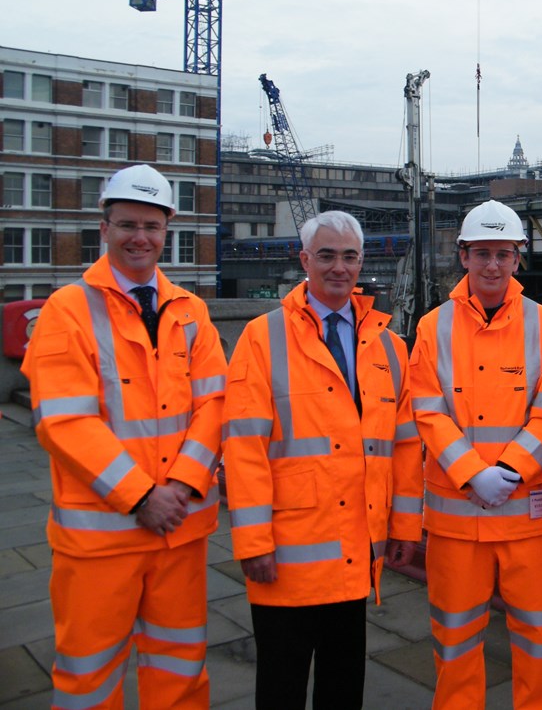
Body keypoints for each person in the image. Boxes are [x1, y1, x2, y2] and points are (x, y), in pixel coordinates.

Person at [22, 163, 227, 709]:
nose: (141, 237)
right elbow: (64, 422)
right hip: (102, 541)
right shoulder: (66, 311)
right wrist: (140, 495)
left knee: (181, 669)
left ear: (168, 230)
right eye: (128, 224)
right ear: (104, 228)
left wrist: (180, 486)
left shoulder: (191, 311)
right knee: (89, 678)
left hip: (178, 532)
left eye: (152, 226)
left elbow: (215, 406)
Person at [221, 210, 422, 709]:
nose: (339, 267)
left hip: (355, 553)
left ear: (361, 262)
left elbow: (405, 448)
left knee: (342, 687)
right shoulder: (263, 338)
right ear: (304, 259)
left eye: (349, 256)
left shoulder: (390, 347)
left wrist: (405, 529)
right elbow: (243, 446)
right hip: (286, 555)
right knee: (282, 688)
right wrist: (252, 542)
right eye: (327, 256)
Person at [410, 199, 542, 709]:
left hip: (529, 518)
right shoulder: (432, 327)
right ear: (463, 256)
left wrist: (507, 470)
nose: (493, 265)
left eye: (503, 254)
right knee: (455, 641)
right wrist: (472, 475)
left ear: (518, 258)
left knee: (540, 638)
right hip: (458, 523)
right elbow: (428, 411)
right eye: (482, 253)